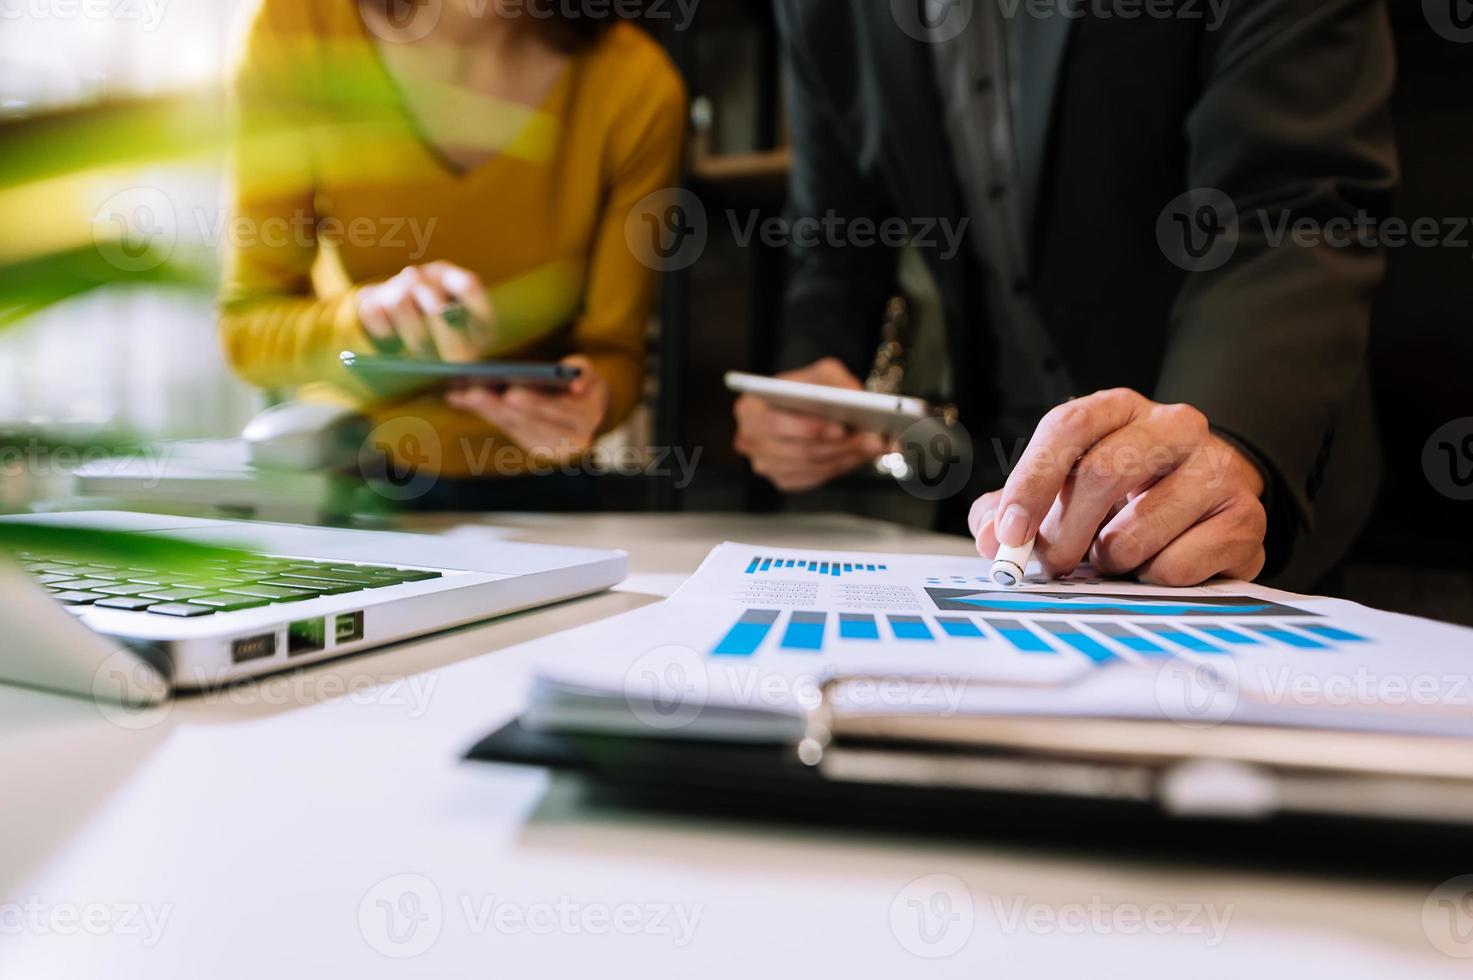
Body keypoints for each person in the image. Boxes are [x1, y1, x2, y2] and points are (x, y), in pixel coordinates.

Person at [735, 0, 1397, 590]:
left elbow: (1290, 207)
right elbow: (832, 246)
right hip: (998, 515)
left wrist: (1225, 434)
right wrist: (809, 381)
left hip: (1239, 469)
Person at [220, 0, 685, 499]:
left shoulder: (636, 85)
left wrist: (595, 399)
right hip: (348, 472)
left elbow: (617, 358)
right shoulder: (299, 28)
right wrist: (366, 319)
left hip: (545, 489)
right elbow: (248, 329)